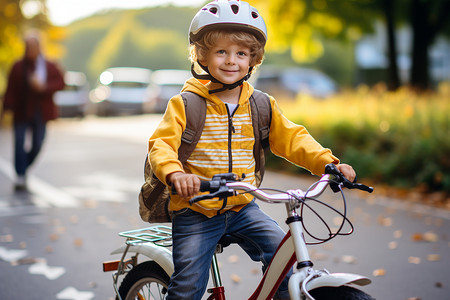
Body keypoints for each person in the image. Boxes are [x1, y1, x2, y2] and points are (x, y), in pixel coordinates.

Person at [148, 1, 356, 299]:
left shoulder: (260, 104)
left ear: (253, 59)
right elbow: (162, 145)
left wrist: (328, 163)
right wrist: (175, 174)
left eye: (241, 53)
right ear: (202, 55)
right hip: (196, 210)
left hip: (243, 206)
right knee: (187, 286)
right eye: (221, 51)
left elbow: (293, 138)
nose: (231, 61)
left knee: (287, 260)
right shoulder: (186, 104)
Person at [2, 30, 65, 190]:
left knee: (38, 143)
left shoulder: (48, 65)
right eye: (27, 46)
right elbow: (10, 90)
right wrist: (5, 110)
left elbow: (61, 82)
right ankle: (20, 175)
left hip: (41, 112)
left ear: (38, 47)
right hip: (21, 111)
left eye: (32, 46)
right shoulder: (17, 66)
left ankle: (23, 167)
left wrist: (44, 87)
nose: (29, 49)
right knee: (19, 143)